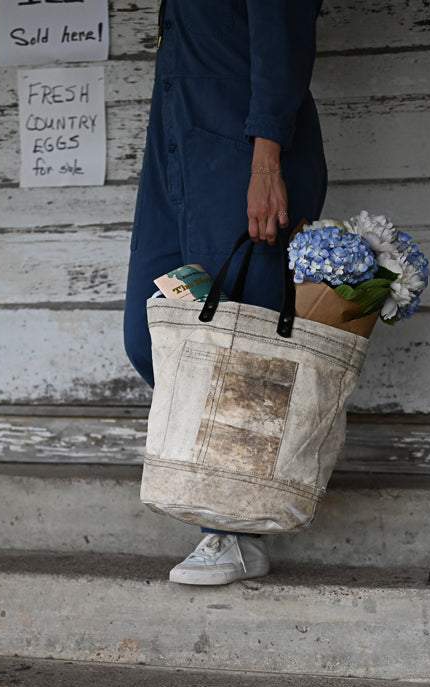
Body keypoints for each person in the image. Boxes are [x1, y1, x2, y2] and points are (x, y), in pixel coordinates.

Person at [124, 1, 328, 585]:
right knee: (151, 331)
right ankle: (237, 497)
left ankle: (235, 532)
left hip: (244, 151)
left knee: (243, 335)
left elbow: (281, 27)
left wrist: (267, 159)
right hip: (177, 149)